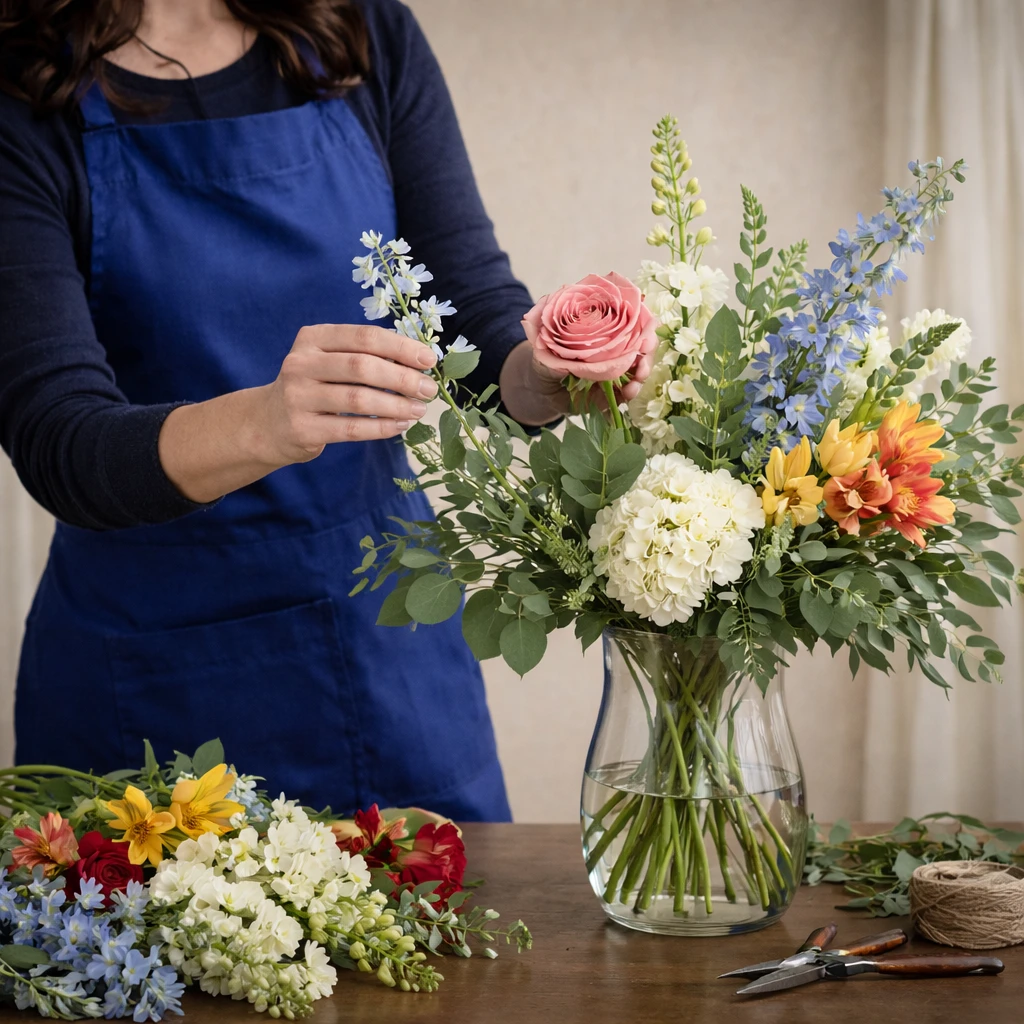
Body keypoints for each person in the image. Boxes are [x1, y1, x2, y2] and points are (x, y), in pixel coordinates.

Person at [0, 0, 648, 820]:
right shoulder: (26, 87)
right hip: (146, 680)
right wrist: (266, 423)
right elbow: (59, 440)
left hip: (386, 642)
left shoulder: (360, 33)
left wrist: (548, 374)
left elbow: (466, 311)